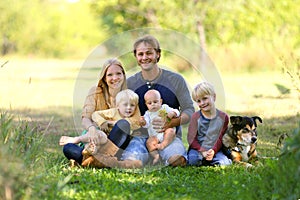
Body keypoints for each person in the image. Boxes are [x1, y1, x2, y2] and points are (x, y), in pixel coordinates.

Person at [121, 34, 195, 168]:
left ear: (158, 54)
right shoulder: (130, 83)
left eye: (149, 53)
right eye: (140, 54)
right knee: (132, 162)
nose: (144, 58)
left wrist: (172, 122)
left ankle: (162, 155)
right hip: (140, 137)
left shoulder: (176, 80)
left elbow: (189, 109)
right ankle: (150, 156)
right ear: (136, 57)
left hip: (169, 137)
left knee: (178, 161)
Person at [59, 58, 129, 166]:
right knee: (68, 148)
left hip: (115, 142)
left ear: (123, 75)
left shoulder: (129, 95)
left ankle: (91, 161)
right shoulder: (95, 92)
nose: (114, 78)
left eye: (118, 73)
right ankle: (102, 161)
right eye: (110, 75)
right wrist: (92, 129)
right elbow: (85, 118)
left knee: (123, 125)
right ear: (104, 78)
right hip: (95, 141)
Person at [187, 81, 232, 166]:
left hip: (215, 148)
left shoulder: (223, 117)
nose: (202, 103)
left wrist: (213, 151)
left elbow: (220, 138)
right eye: (198, 101)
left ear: (214, 97)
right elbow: (191, 139)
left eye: (205, 98)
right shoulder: (195, 117)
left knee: (224, 163)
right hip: (198, 148)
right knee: (193, 161)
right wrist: (202, 150)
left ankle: (209, 160)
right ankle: (204, 160)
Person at [87, 89, 141, 155]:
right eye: (125, 105)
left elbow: (135, 124)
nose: (129, 107)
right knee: (71, 148)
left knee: (123, 124)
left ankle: (107, 155)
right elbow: (95, 114)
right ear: (118, 106)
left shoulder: (134, 118)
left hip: (123, 147)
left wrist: (113, 123)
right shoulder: (113, 112)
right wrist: (102, 122)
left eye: (132, 105)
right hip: (109, 141)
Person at [140, 89, 180, 164]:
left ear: (160, 101)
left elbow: (177, 112)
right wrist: (143, 122)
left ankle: (163, 144)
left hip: (166, 133)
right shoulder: (147, 114)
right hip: (155, 136)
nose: (153, 104)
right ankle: (156, 156)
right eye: (149, 103)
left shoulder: (165, 108)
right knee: (149, 142)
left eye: (155, 102)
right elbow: (146, 125)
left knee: (171, 131)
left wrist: (172, 113)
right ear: (146, 104)